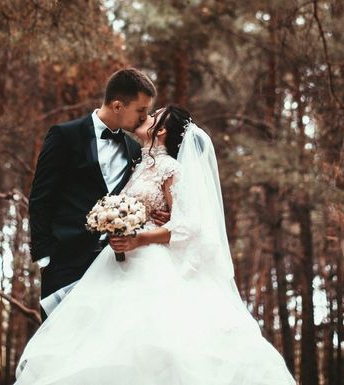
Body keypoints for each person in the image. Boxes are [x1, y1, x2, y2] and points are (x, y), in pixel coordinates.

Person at [16, 105, 297, 385]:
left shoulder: (170, 168)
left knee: (153, 344)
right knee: (103, 343)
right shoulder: (137, 160)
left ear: (160, 130)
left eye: (152, 116)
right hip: (115, 262)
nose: (144, 117)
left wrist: (142, 237)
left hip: (150, 263)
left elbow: (188, 226)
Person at [28, 68, 170, 317]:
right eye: (141, 110)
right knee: (60, 343)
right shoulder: (65, 135)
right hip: (65, 262)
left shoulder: (134, 149)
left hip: (115, 265)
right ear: (117, 106)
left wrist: (166, 216)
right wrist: (45, 258)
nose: (144, 117)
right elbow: (41, 197)